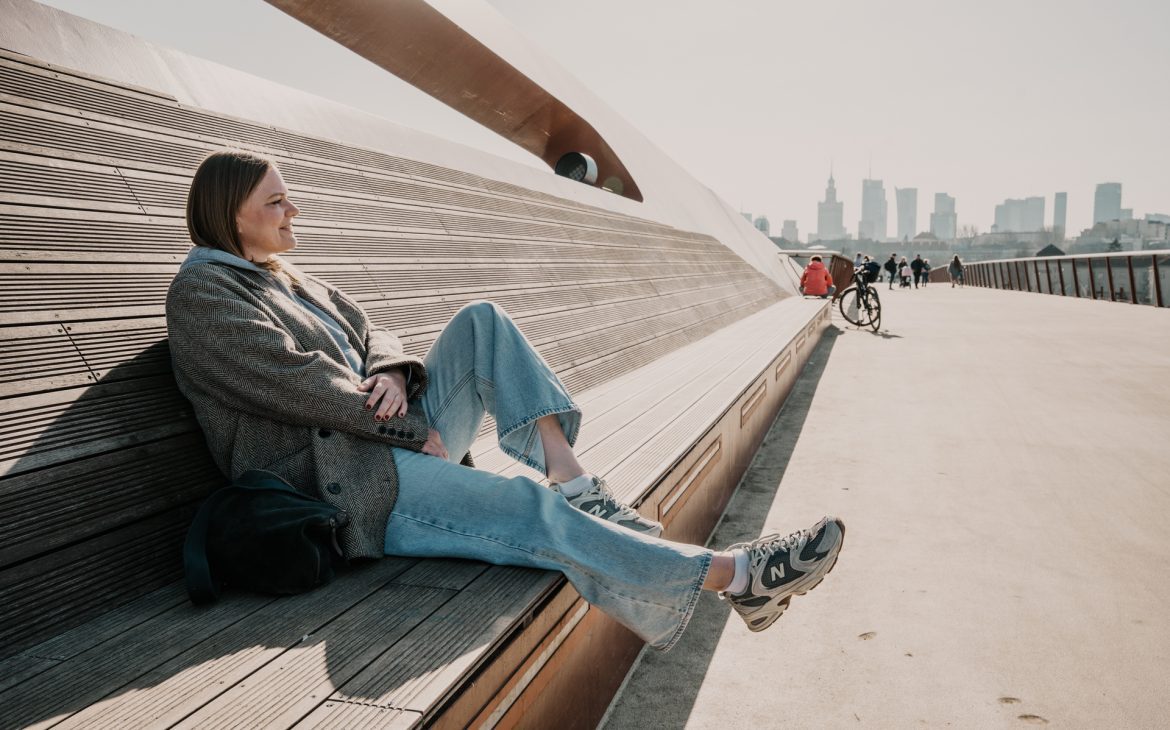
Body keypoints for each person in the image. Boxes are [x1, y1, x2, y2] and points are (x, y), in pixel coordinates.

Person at [166, 150, 845, 651]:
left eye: (288, 198)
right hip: (348, 484)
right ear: (232, 216)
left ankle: (572, 477)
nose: (294, 211)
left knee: (482, 320)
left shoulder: (288, 277)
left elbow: (375, 335)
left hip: (384, 437)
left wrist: (398, 375)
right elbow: (298, 384)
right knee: (527, 512)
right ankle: (738, 577)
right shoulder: (204, 295)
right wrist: (410, 435)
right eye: (276, 203)